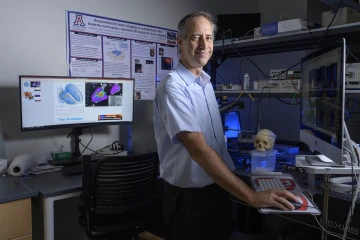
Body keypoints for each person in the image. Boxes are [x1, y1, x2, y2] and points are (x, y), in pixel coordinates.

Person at [153, 11, 298, 240]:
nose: (203, 44)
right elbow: (199, 150)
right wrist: (252, 196)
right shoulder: (173, 88)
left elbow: (214, 142)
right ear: (179, 42)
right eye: (195, 37)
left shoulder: (205, 83)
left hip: (216, 189)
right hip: (189, 200)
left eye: (209, 38)